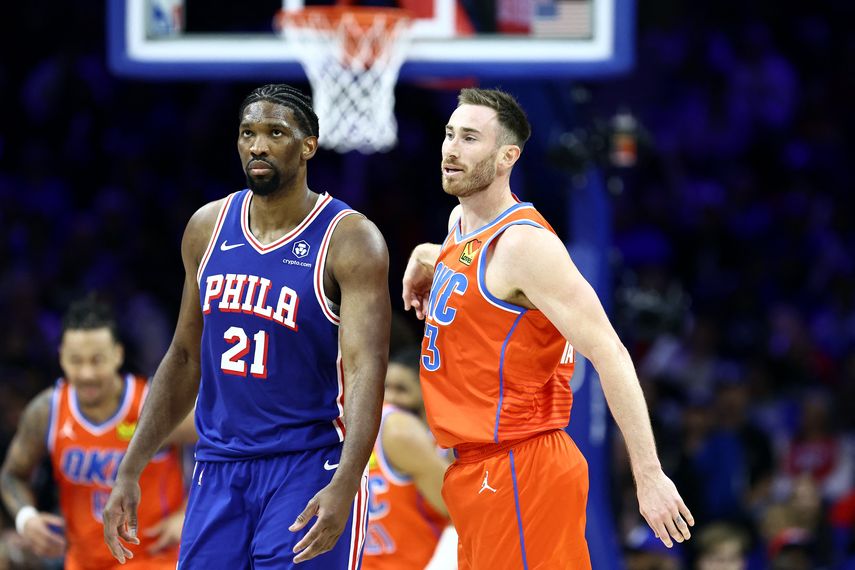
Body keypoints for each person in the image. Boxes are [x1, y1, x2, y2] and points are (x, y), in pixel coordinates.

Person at [401, 87, 695, 569]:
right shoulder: (462, 223)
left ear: (506, 157)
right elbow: (469, 267)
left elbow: (611, 353)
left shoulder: (524, 246)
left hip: (521, 466)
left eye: (470, 138)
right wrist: (425, 255)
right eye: (450, 134)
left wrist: (649, 473)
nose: (451, 148)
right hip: (475, 468)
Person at [101, 84, 391, 569]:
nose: (257, 145)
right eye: (247, 133)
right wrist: (130, 466)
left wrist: (347, 479)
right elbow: (185, 356)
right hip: (218, 466)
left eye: (275, 132)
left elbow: (366, 370)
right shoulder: (206, 227)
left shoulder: (351, 240)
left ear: (308, 146)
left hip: (307, 462)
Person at [0, 296, 196, 570]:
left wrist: (189, 511)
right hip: (82, 561)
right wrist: (26, 518)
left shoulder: (151, 405)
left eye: (97, 360)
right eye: (76, 361)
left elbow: (224, 442)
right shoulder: (47, 410)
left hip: (154, 559)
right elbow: (11, 475)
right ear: (61, 357)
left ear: (118, 354)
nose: (87, 373)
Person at [363, 347, 450, 569]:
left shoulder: (443, 442)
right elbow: (460, 512)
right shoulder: (397, 430)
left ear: (426, 391)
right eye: (385, 388)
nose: (390, 398)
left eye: (401, 389)